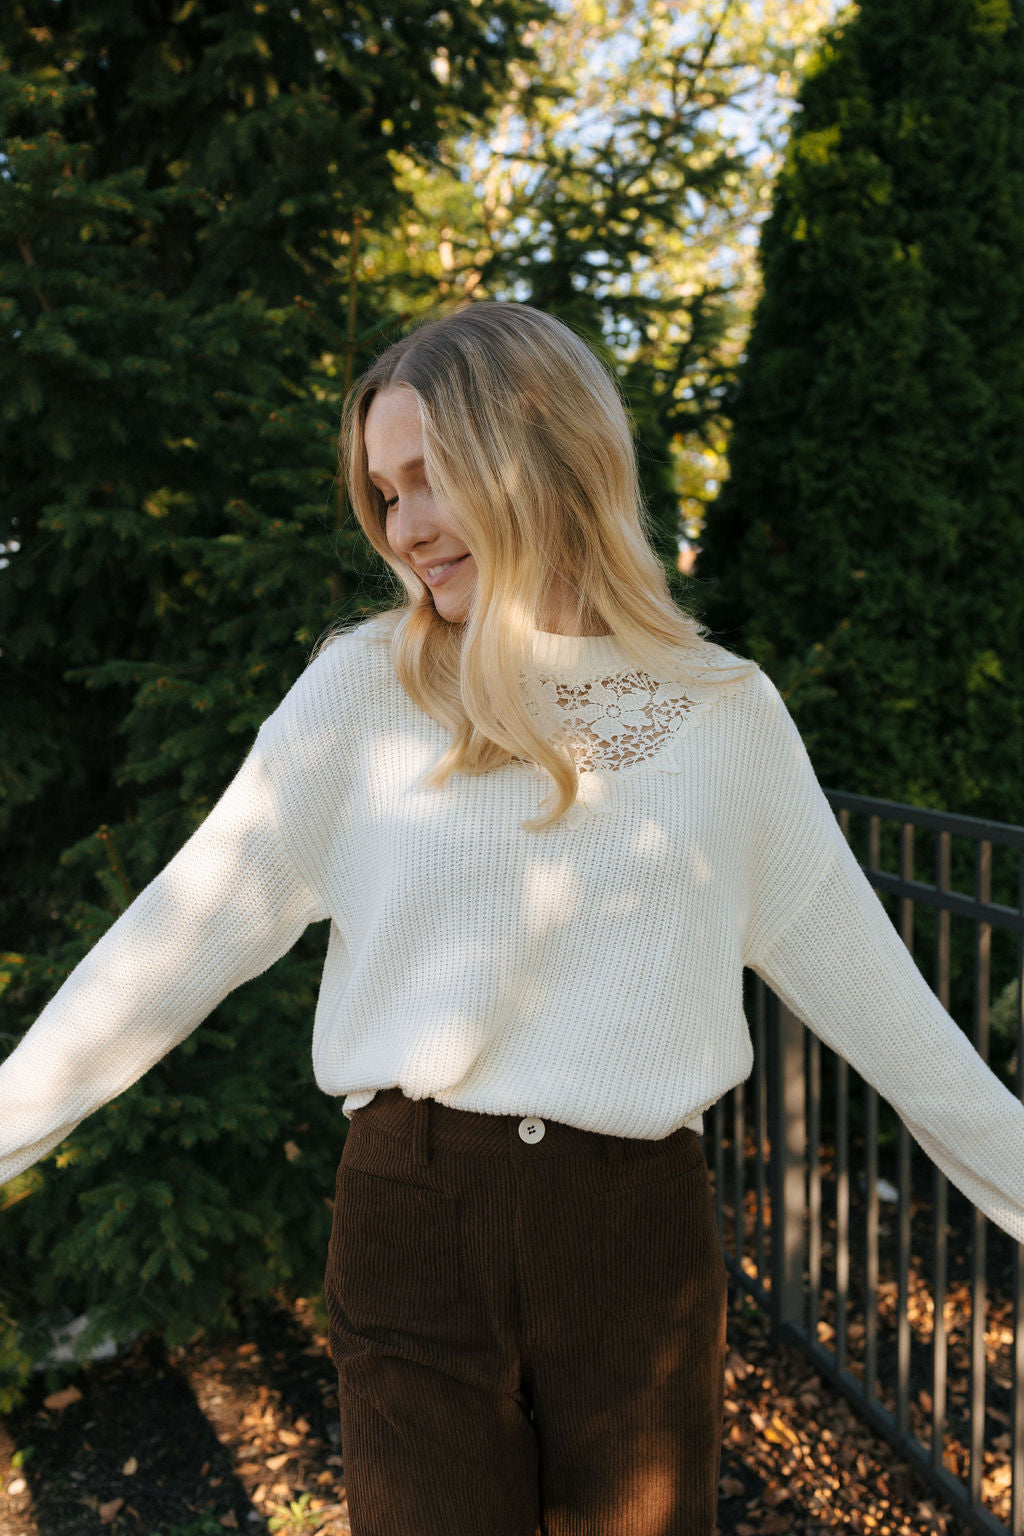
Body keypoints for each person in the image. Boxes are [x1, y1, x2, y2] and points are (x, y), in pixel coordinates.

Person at [2, 300, 1023, 1536]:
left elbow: (890, 1011)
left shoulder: (723, 716)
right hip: (412, 1222)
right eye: (384, 493)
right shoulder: (356, 692)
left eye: (431, 478)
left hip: (635, 1242)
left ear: (544, 455)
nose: (406, 526)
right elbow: (166, 947)